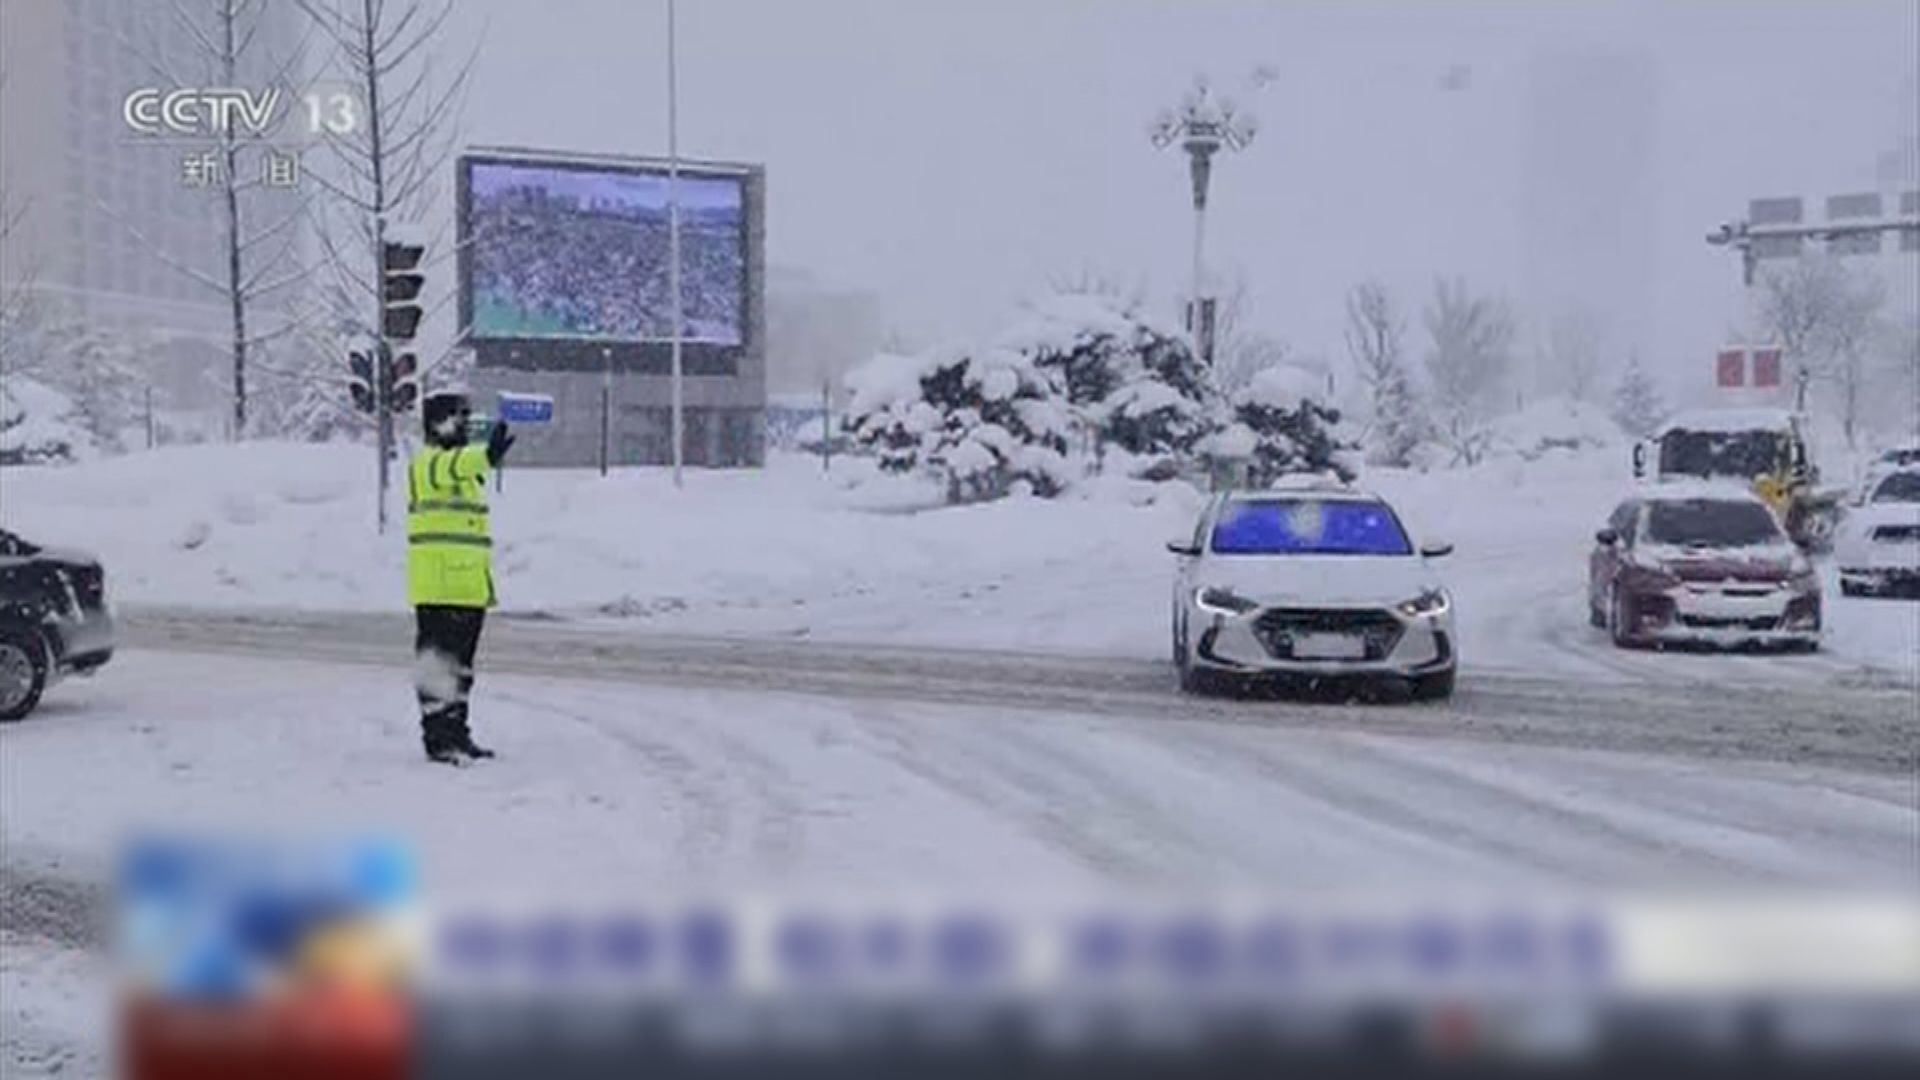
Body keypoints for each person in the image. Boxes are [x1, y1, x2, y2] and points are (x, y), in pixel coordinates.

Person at [408, 391, 514, 765]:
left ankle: (457, 732)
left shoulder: (466, 474)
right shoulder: (429, 464)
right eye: (460, 419)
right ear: (439, 423)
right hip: (439, 587)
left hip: (466, 587)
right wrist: (486, 455)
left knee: (461, 669)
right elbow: (458, 465)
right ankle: (438, 739)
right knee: (439, 665)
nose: (466, 426)